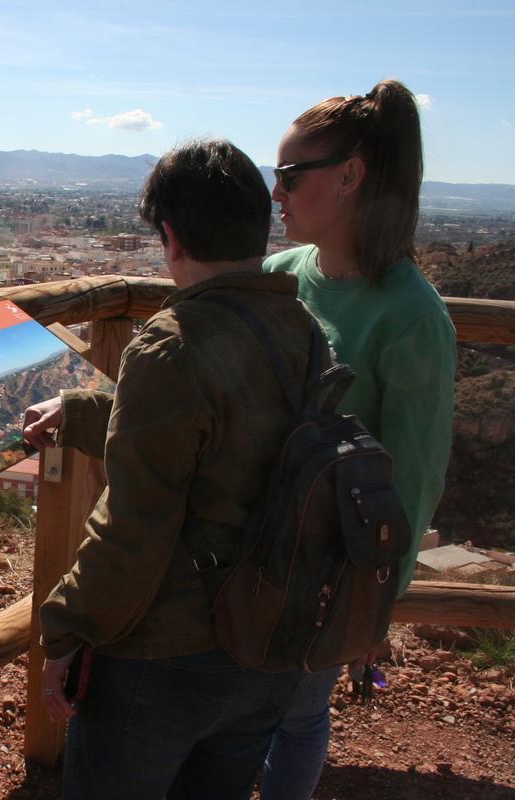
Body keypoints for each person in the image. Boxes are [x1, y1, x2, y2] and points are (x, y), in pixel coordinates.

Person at [23, 139, 313, 799]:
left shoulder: (171, 345)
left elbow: (134, 525)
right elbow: (220, 433)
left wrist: (66, 630)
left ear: (172, 237)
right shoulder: (300, 328)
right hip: (269, 638)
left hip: (166, 658)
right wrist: (79, 409)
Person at [260, 80, 456, 799]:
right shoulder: (280, 278)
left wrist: (378, 606)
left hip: (329, 569)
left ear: (349, 176)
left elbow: (416, 473)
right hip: (255, 549)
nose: (275, 194)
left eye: (288, 176)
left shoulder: (413, 316)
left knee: (298, 714)